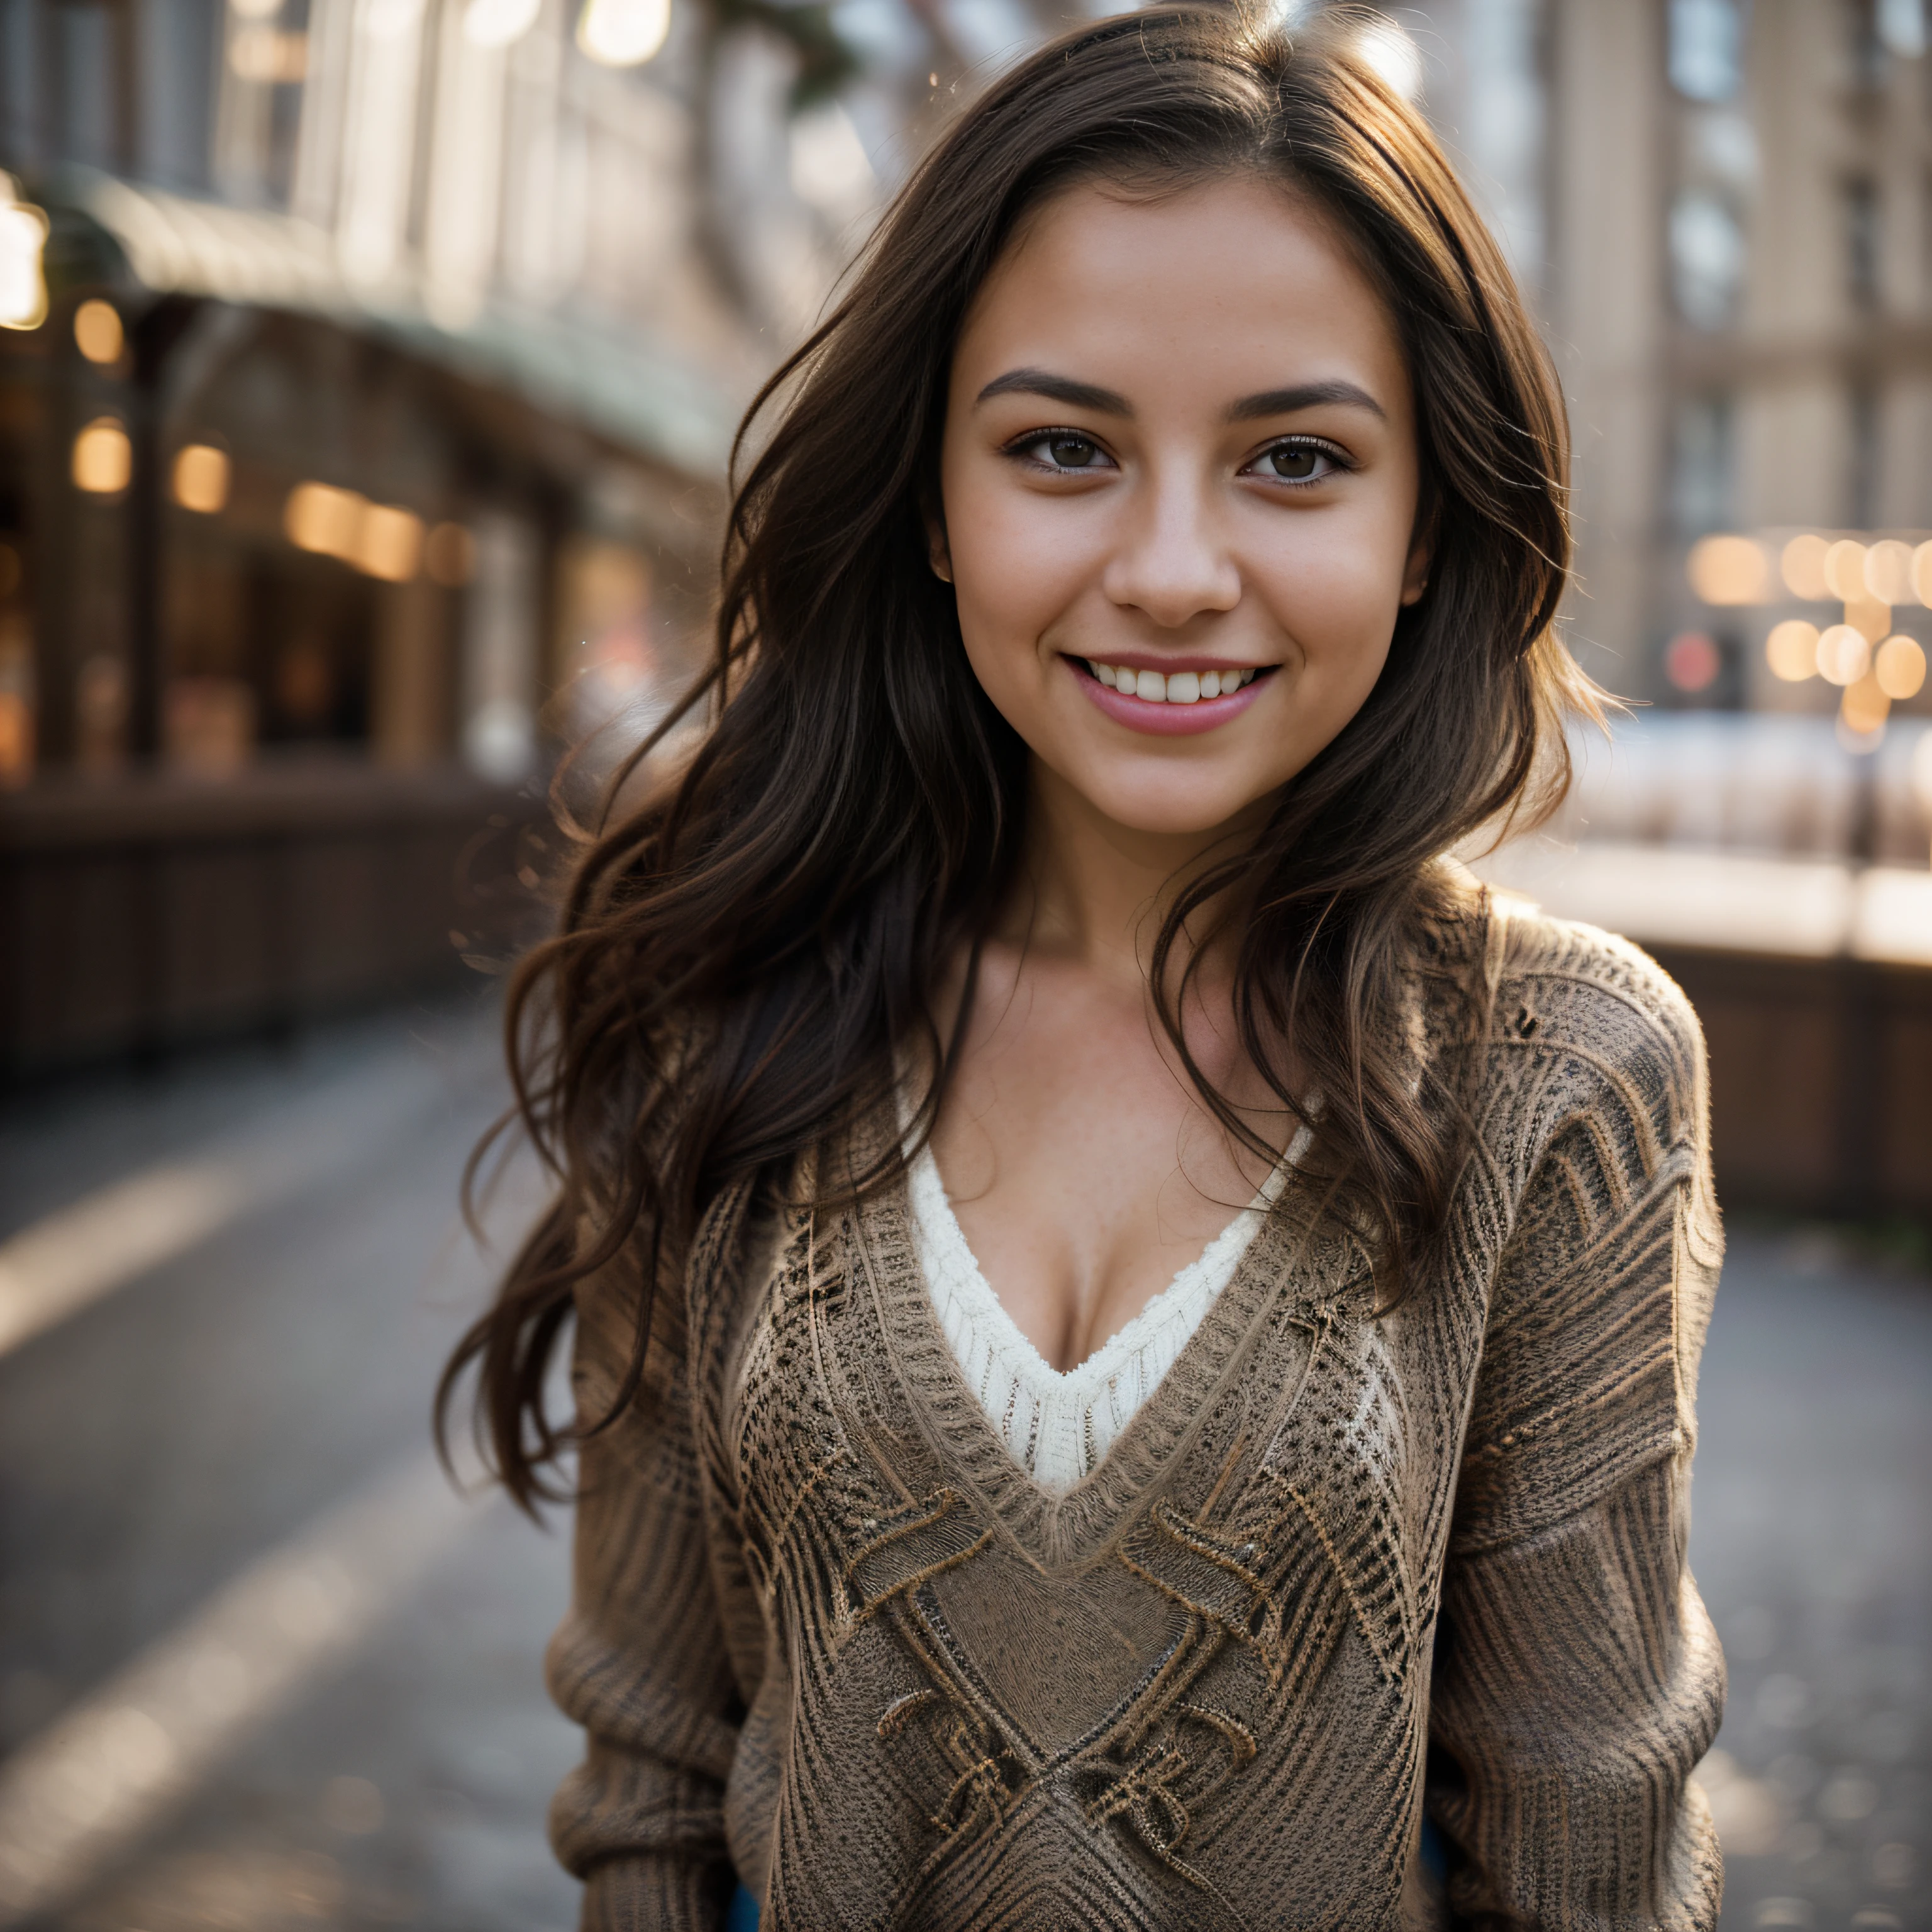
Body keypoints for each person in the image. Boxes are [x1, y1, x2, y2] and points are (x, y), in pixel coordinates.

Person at [440, 6, 1727, 1925]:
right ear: (937, 510)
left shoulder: (1564, 1078)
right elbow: (653, 1799)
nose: (1177, 567)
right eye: (1064, 449)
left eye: (1295, 459)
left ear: (1424, 534)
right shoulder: (722, 1010)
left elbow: (1590, 1850)